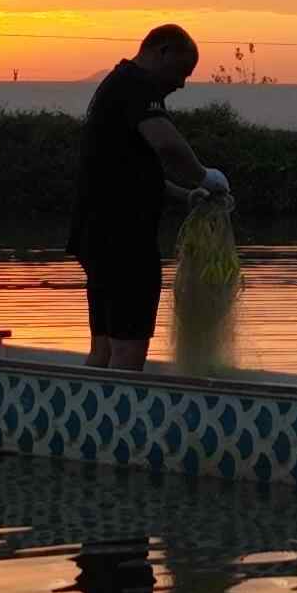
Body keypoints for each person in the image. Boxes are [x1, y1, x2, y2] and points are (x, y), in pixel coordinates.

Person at [71, 25, 219, 368]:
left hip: (97, 235)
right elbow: (166, 142)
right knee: (128, 349)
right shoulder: (137, 84)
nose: (181, 83)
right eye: (181, 71)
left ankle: (93, 415)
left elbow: (129, 173)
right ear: (161, 51)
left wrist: (186, 195)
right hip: (124, 238)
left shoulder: (118, 84)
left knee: (104, 347)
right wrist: (205, 176)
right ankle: (121, 418)